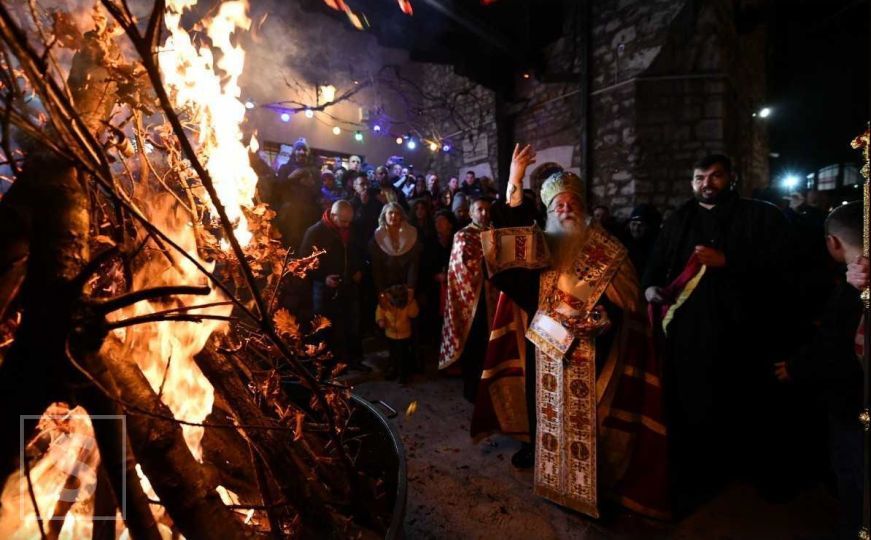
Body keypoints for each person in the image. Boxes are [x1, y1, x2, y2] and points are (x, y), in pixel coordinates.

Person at [473, 144, 668, 520]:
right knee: (544, 410)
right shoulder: (543, 244)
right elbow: (510, 265)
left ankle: (589, 483)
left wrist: (600, 319)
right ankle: (550, 473)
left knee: (589, 420)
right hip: (545, 345)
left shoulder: (610, 250)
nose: (564, 209)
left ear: (583, 208)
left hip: (595, 350)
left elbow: (627, 300)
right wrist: (514, 183)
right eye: (557, 205)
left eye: (571, 203)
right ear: (548, 211)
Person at [642, 154, 795, 510]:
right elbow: (656, 263)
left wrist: (729, 262)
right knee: (691, 400)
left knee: (741, 400)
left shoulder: (761, 216)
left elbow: (785, 267)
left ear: (732, 178)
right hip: (688, 334)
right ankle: (697, 471)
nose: (706, 184)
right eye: (699, 178)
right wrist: (649, 286)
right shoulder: (679, 219)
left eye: (715, 177)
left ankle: (744, 469)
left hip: (742, 331)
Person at [776, 202, 865, 539]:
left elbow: (834, 348)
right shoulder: (855, 281)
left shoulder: (853, 290)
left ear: (833, 243)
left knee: (853, 476)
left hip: (851, 405)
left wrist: (795, 368)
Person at [439, 196, 498, 402]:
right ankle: (472, 389)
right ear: (471, 213)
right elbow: (461, 269)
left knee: (489, 344)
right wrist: (490, 262)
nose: (484, 213)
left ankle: (488, 387)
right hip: (472, 300)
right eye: (479, 210)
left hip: (492, 297)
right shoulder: (463, 235)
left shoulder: (495, 234)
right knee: (473, 344)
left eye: (487, 210)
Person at [299, 200, 366, 371]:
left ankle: (353, 360)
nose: (347, 225)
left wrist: (358, 268)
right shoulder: (315, 233)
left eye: (349, 222)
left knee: (352, 324)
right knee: (325, 327)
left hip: (349, 284)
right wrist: (323, 277)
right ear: (333, 215)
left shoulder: (352, 228)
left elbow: (359, 251)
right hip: (324, 289)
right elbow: (305, 262)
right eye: (343, 221)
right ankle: (326, 366)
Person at [369, 202, 422, 296]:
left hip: (406, 285)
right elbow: (376, 268)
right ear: (384, 215)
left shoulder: (411, 234)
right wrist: (381, 292)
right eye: (390, 213)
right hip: (386, 286)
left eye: (397, 213)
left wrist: (411, 287)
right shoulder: (377, 237)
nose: (394, 216)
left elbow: (414, 264)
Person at [376, 284, 420, 383]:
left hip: (404, 335)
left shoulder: (408, 303)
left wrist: (411, 301)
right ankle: (394, 370)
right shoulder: (386, 300)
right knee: (393, 355)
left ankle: (404, 374)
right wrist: (380, 320)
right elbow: (380, 311)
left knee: (404, 356)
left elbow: (414, 314)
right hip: (390, 333)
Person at [622, 204, 662, 276]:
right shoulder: (623, 241)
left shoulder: (655, 246)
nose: (636, 228)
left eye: (641, 225)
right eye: (633, 224)